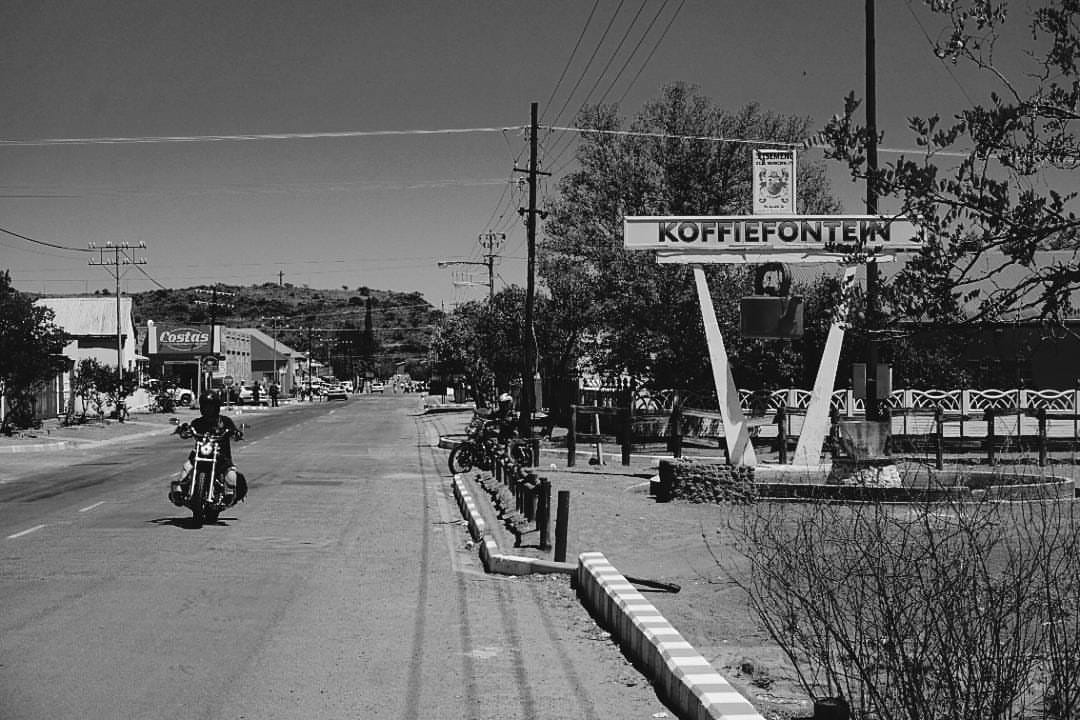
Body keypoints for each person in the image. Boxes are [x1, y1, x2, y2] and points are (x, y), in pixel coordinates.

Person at [169, 390, 246, 506]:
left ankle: (229, 496)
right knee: (187, 467)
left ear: (216, 407)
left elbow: (233, 431)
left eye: (211, 406)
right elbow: (189, 431)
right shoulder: (197, 422)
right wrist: (184, 431)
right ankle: (179, 493)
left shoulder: (225, 421)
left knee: (231, 476)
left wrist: (236, 433)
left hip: (221, 457)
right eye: (205, 406)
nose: (208, 409)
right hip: (200, 455)